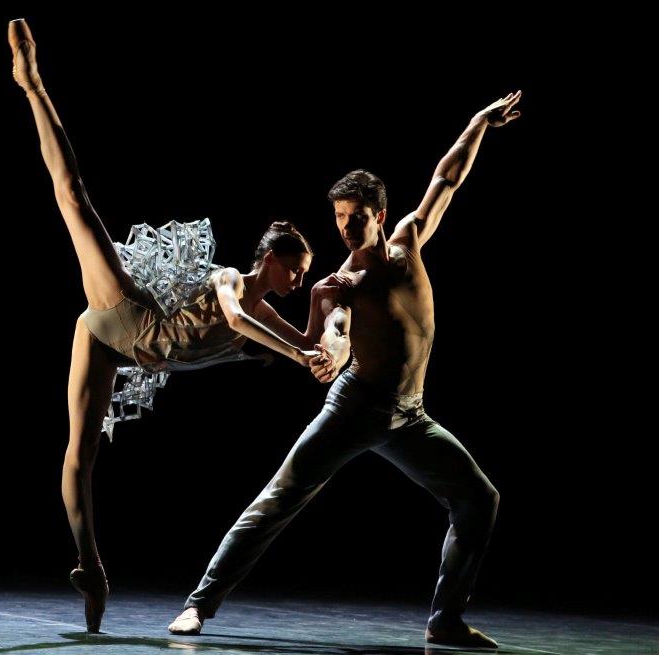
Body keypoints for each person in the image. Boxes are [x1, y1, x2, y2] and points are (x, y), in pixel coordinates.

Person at [9, 18, 337, 633]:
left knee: (81, 458)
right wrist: (297, 356)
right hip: (123, 314)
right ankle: (32, 84)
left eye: (303, 274)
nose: (296, 281)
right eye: (296, 270)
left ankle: (91, 567)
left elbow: (311, 346)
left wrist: (326, 309)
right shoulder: (231, 282)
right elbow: (241, 320)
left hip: (119, 350)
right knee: (76, 199)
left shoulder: (269, 318)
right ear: (269, 259)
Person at [168, 92, 523, 650]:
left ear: (379, 216)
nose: (346, 229)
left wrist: (479, 123)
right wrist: (331, 349)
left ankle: (445, 619)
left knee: (481, 499)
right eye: (338, 219)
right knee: (280, 499)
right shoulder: (338, 284)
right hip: (355, 407)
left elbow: (446, 180)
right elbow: (332, 329)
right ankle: (197, 605)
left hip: (410, 416)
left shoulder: (408, 244)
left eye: (355, 218)